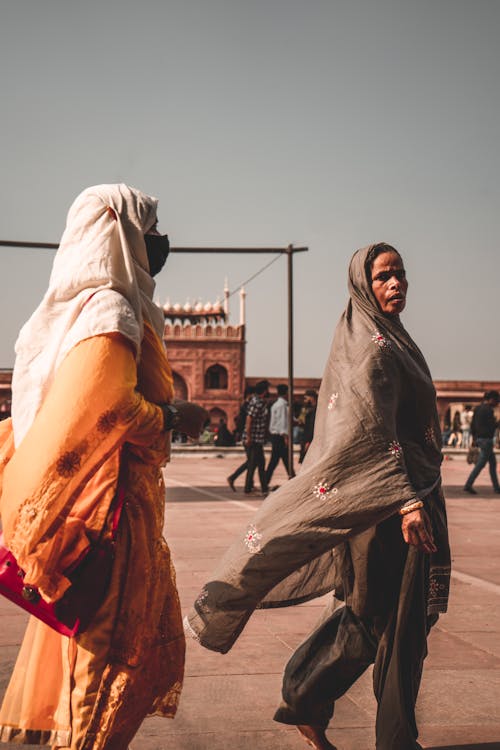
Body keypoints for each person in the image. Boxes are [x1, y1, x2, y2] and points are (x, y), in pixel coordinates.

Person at [185, 243, 450, 750]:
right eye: (383, 277)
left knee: (404, 622)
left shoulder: (394, 339)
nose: (396, 284)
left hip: (410, 496)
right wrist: (406, 501)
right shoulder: (369, 345)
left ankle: (347, 715)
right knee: (377, 618)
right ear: (362, 285)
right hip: (386, 506)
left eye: (400, 275)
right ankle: (313, 699)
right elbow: (365, 426)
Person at [0, 184, 207, 749]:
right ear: (123, 234)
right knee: (109, 653)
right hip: (111, 511)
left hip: (111, 502)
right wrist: (173, 416)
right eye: (151, 230)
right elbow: (107, 407)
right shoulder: (111, 310)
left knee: (102, 648)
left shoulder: (85, 309)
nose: (161, 243)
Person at [463, 390, 500, 495]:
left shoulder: (478, 408)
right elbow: (492, 427)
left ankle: (497, 487)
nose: (497, 403)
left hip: (480, 439)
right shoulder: (488, 410)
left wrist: (474, 439)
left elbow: (472, 426)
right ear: (491, 399)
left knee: (492, 463)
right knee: (480, 464)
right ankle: (468, 485)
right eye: (496, 401)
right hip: (486, 440)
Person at [243, 380, 270, 495]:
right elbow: (249, 419)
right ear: (264, 391)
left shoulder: (259, 401)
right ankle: (252, 488)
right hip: (253, 439)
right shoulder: (256, 402)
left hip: (257, 438)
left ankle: (259, 488)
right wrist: (249, 437)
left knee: (257, 463)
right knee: (255, 463)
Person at [227, 386, 255, 492]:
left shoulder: (244, 405)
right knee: (251, 461)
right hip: (247, 436)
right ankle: (233, 477)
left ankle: (249, 484)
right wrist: (248, 436)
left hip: (245, 436)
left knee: (252, 461)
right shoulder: (247, 406)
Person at [265, 384, 289, 486]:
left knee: (280, 461)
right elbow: (282, 422)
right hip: (280, 436)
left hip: (275, 436)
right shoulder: (282, 405)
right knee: (280, 461)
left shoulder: (275, 404)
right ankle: (264, 482)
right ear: (286, 393)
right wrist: (285, 437)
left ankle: (265, 482)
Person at [299, 389, 318, 463]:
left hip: (309, 438)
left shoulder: (315, 409)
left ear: (312, 398)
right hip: (306, 437)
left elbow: (312, 426)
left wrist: (308, 441)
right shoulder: (306, 408)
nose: (305, 400)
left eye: (306, 398)